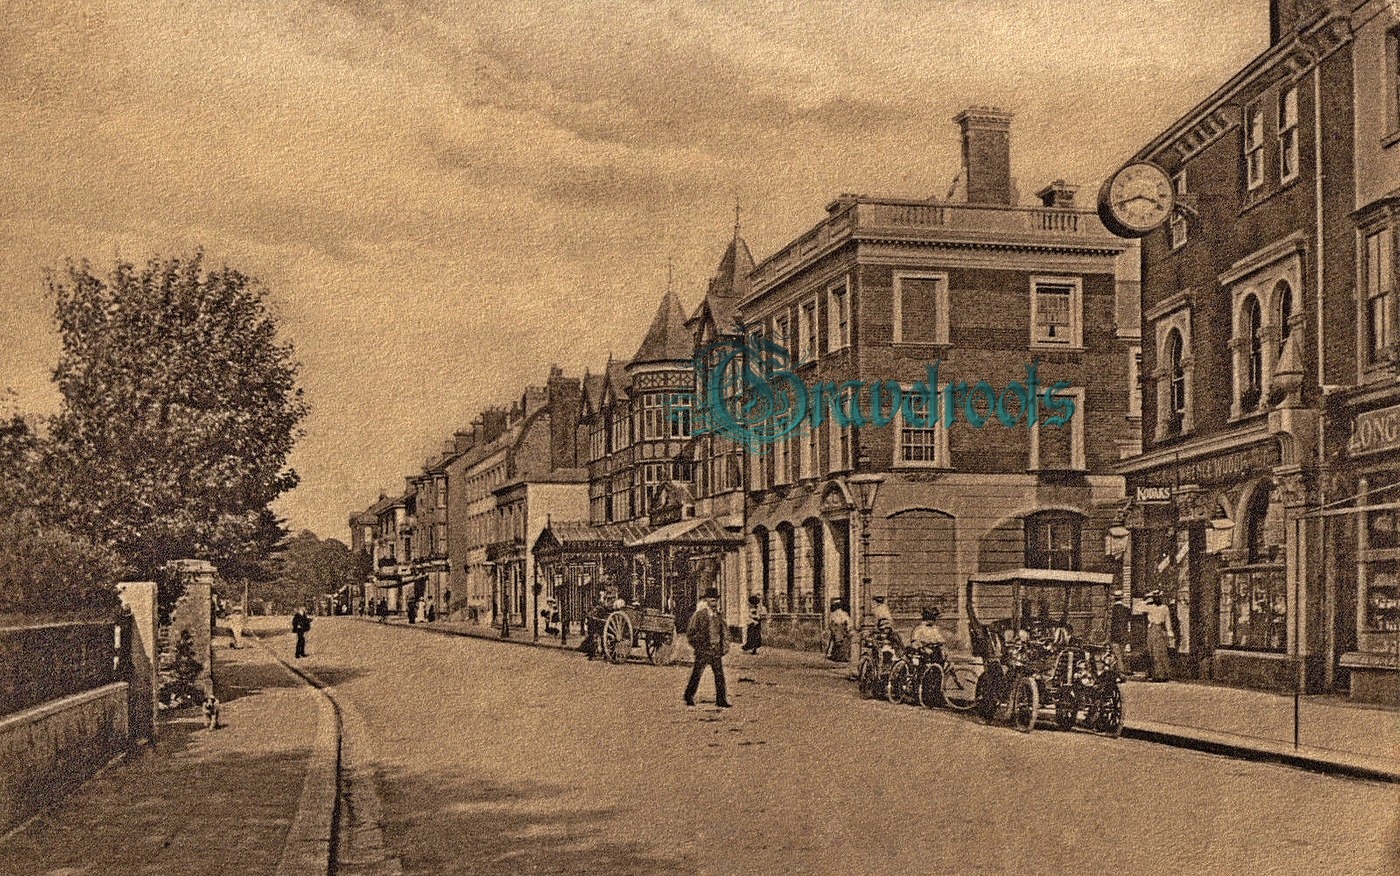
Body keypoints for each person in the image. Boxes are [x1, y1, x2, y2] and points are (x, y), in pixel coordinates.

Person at [684, 586, 731, 707]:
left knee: (719, 676)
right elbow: (690, 632)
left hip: (715, 650)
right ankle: (689, 696)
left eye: (716, 600)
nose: (714, 603)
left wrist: (723, 647)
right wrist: (698, 645)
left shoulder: (719, 616)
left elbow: (724, 632)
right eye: (712, 600)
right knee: (697, 674)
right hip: (703, 650)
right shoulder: (700, 615)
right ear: (707, 601)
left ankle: (721, 700)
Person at [1136, 591, 1175, 681]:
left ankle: (1161, 675)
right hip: (1153, 630)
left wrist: (1170, 633)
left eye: (1158, 597)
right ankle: (1157, 674)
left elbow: (1168, 621)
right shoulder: (1151, 607)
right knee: (1153, 652)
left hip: (1159, 629)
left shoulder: (1164, 608)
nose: (1157, 599)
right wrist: (1146, 600)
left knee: (1160, 652)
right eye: (1155, 597)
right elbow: (1137, 607)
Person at [1110, 589, 1132, 673]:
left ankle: (1119, 670)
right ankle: (1124, 670)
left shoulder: (1111, 610)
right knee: (1123, 653)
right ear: (1122, 598)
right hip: (1123, 633)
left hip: (1114, 634)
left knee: (1116, 654)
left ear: (1114, 599)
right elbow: (1129, 621)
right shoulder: (1126, 609)